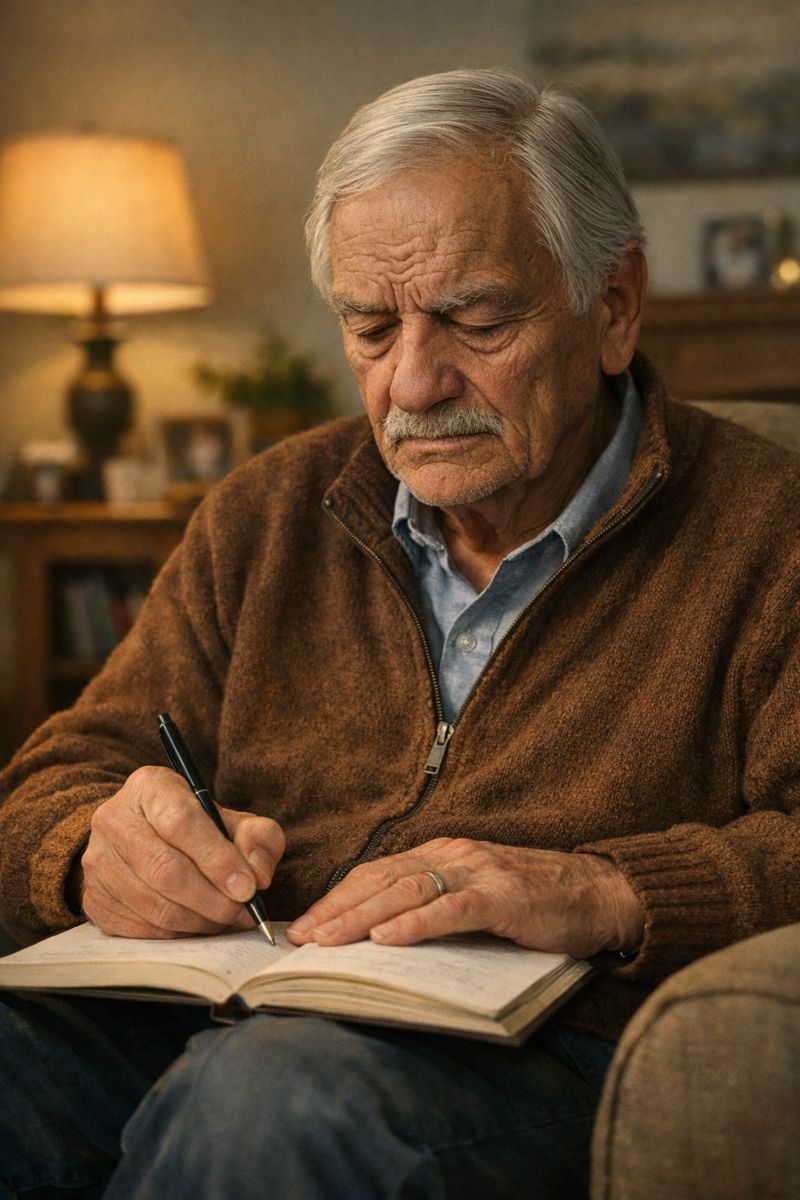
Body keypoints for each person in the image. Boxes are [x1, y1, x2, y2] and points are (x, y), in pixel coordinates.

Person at [0, 67, 798, 1200]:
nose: (413, 383)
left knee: (269, 1105)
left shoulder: (772, 533)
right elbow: (57, 773)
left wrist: (605, 890)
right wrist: (90, 849)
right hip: (216, 1011)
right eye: (370, 328)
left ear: (613, 307)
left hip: (535, 1055)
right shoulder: (269, 511)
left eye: (478, 321)